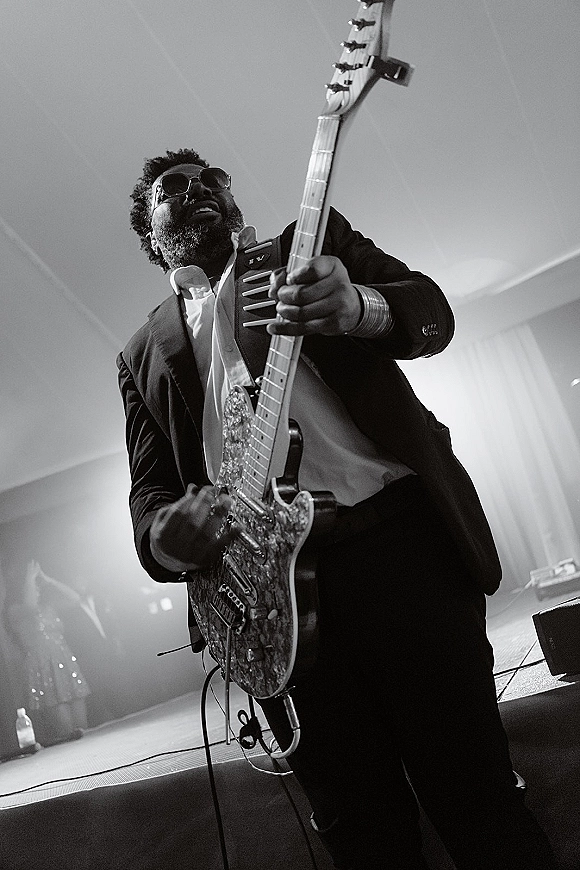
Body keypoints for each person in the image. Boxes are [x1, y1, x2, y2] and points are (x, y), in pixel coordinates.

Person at [117, 148, 558, 869]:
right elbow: (149, 492)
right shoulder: (141, 352)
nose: (197, 189)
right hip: (267, 609)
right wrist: (167, 538)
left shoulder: (309, 246)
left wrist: (358, 307)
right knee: (360, 835)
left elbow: (430, 310)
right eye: (172, 190)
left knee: (480, 804)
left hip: (399, 554)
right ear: (149, 229)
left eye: (212, 180)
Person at [5, 559, 90, 746]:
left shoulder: (48, 606)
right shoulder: (16, 610)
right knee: (69, 732)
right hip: (44, 669)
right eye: (32, 585)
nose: (36, 588)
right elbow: (30, 606)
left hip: (66, 664)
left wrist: (48, 579)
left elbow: (76, 598)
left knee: (84, 727)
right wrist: (29, 577)